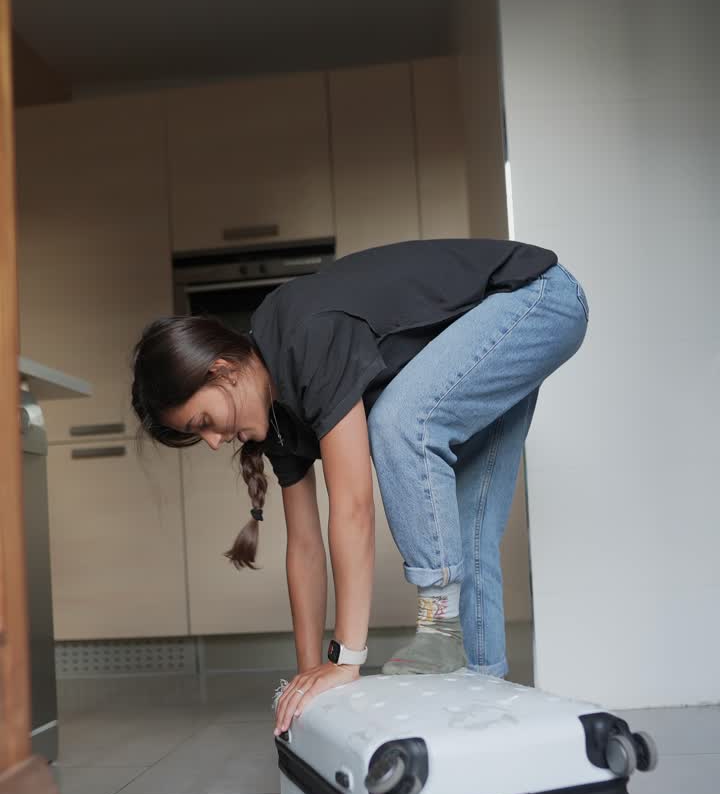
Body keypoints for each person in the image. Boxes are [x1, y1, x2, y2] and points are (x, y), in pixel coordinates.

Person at [131, 238, 589, 736]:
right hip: (504, 326)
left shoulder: (303, 336)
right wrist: (309, 674)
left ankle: (438, 631)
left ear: (221, 371)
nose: (215, 443)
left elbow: (352, 506)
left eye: (204, 421)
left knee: (399, 422)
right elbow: (305, 547)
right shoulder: (280, 418)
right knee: (466, 542)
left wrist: (346, 658)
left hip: (536, 300)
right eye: (198, 436)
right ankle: (482, 722)